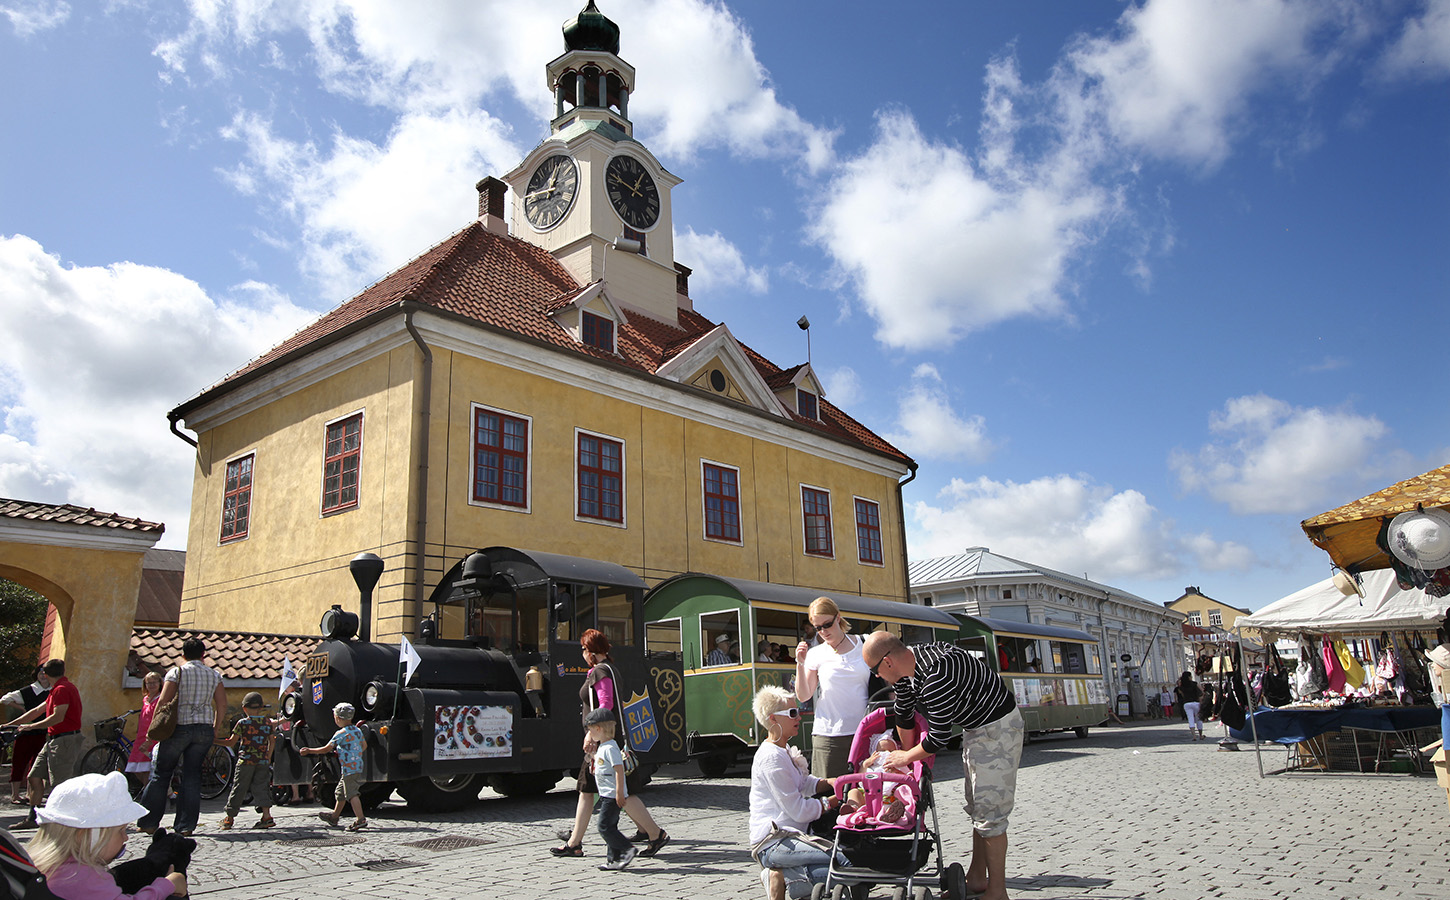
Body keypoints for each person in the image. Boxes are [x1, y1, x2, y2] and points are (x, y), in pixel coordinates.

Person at [862, 633, 1022, 900]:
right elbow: (904, 712)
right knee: (978, 807)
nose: (876, 677)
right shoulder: (909, 667)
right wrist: (905, 760)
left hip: (997, 729)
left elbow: (939, 737)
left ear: (887, 662)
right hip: (977, 728)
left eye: (874, 670)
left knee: (990, 812)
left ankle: (998, 892)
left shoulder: (936, 677)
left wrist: (905, 758)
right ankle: (977, 879)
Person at [551, 629, 669, 859]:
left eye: (584, 650)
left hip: (602, 743)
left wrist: (591, 735)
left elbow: (605, 705)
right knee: (589, 790)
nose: (583, 654)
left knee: (622, 793)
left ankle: (656, 834)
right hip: (606, 740)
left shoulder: (600, 672)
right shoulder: (609, 670)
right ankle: (575, 843)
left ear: (593, 651)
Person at [748, 685, 846, 900]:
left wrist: (830, 782)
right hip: (773, 841)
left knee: (846, 860)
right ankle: (782, 877)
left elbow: (802, 783)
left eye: (798, 711)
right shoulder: (771, 758)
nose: (799, 717)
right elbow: (799, 811)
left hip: (793, 835)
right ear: (773, 719)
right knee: (845, 863)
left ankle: (788, 877)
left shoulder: (782, 749)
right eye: (793, 713)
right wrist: (835, 801)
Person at [26, 771, 187, 899]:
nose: (126, 838)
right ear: (87, 836)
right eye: (120, 831)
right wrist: (166, 885)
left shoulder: (44, 865)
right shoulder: (84, 878)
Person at [137, 639, 227, 837]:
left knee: (162, 773)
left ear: (183, 654)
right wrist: (215, 727)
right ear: (203, 655)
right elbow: (221, 704)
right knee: (192, 776)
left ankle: (149, 822)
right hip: (203, 728)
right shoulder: (214, 675)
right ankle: (185, 826)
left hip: (179, 727)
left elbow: (163, 700)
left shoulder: (177, 672)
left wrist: (154, 728)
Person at [794, 598, 870, 778]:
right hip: (829, 734)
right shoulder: (816, 653)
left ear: (838, 618)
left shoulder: (865, 644)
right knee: (828, 795)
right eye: (817, 627)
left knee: (867, 793)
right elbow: (804, 696)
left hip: (865, 731)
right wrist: (800, 663)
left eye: (826, 624)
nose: (823, 632)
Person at [4, 658, 82, 830]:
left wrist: (29, 727)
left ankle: (62, 823)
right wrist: (11, 725)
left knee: (59, 784)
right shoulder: (57, 689)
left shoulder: (62, 689)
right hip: (53, 739)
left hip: (65, 740)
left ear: (45, 674)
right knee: (34, 777)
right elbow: (36, 711)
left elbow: (57, 717)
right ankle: (34, 817)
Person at [583, 707, 637, 871]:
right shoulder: (603, 747)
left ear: (598, 729)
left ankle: (626, 848)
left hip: (612, 795)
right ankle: (613, 860)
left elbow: (619, 769)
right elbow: (602, 765)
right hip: (606, 794)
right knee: (611, 827)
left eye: (590, 730)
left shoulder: (611, 748)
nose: (589, 733)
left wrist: (620, 792)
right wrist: (593, 760)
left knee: (604, 827)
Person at [300, 702, 367, 832]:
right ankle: (334, 817)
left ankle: (360, 819)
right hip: (357, 766)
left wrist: (309, 751)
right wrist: (355, 754)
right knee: (340, 792)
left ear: (338, 718)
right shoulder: (357, 730)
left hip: (349, 768)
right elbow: (364, 746)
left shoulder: (340, 733)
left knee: (352, 793)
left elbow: (326, 749)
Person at [216, 692, 275, 830]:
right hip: (262, 761)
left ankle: (229, 818)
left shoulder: (242, 723)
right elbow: (272, 741)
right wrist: (268, 756)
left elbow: (231, 742)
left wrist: (214, 741)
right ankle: (267, 817)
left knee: (239, 788)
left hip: (246, 761)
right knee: (262, 787)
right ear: (261, 708)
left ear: (244, 708)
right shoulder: (267, 722)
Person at [1, 665, 49, 805]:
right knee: (19, 762)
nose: (42, 675)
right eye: (40, 673)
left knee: (36, 765)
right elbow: (5, 699)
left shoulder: (52, 691)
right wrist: (21, 708)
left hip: (41, 732)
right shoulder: (28, 691)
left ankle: (30, 793)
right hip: (24, 732)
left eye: (45, 673)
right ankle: (15, 795)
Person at [125, 673, 164, 792]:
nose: (151, 685)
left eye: (154, 683)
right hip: (141, 735)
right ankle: (149, 789)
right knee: (135, 766)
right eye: (149, 683)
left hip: (152, 736)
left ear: (159, 684)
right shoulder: (145, 699)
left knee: (148, 768)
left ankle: (150, 792)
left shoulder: (160, 699)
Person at [1178, 672, 1204, 741]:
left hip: (1187, 703)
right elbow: (1201, 691)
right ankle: (1201, 735)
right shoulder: (1194, 684)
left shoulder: (1181, 686)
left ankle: (1194, 736)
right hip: (1195, 702)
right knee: (1198, 718)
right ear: (1189, 677)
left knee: (1190, 719)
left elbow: (1182, 694)